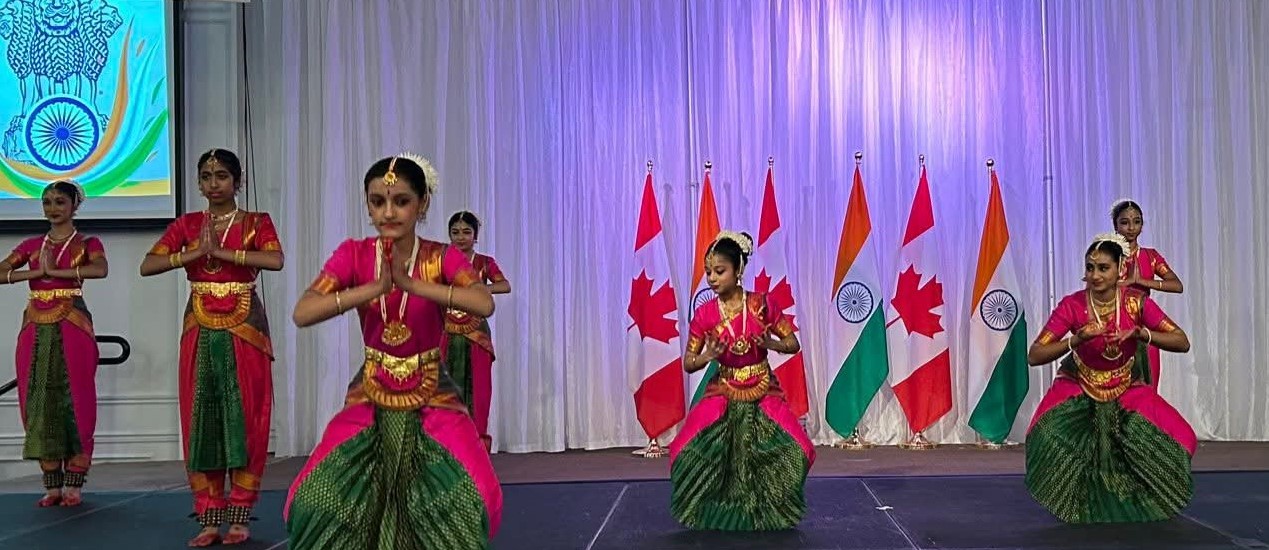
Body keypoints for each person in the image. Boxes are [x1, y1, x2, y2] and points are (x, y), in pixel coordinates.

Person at [285, 154, 503, 549]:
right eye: (377, 201)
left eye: (401, 201)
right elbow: (303, 312)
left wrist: (413, 285)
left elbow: (483, 302)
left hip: (433, 391)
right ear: (367, 205)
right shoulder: (353, 254)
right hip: (371, 389)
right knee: (315, 501)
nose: (388, 212)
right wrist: (373, 289)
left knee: (470, 497)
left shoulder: (441, 256)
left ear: (422, 204)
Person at [138, 149, 284, 546]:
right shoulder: (187, 224)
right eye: (206, 176)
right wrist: (193, 254)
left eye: (221, 175)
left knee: (246, 417)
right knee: (201, 418)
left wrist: (220, 253)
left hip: (245, 328)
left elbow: (275, 260)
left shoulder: (256, 222)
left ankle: (240, 516)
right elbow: (148, 265)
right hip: (199, 327)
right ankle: (209, 516)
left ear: (238, 181)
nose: (213, 183)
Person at [1024, 233, 1195, 523]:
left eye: (1103, 268)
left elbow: (1182, 341)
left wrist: (1142, 333)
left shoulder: (1136, 303)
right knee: (1045, 433)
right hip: (1080, 381)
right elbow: (1035, 354)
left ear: (1120, 269)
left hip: (1125, 383)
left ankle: (1140, 500)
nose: (1095, 275)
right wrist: (1076, 339)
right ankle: (1077, 503)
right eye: (1090, 268)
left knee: (1181, 438)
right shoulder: (1073, 305)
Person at [669, 230, 814, 530]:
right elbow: (688, 363)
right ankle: (714, 511)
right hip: (723, 388)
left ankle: (771, 509)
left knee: (799, 448)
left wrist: (771, 344)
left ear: (738, 271)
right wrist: (708, 356)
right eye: (709, 272)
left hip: (763, 386)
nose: (712, 278)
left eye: (719, 271)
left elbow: (793, 344)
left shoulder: (762, 305)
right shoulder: (705, 315)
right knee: (683, 451)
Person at [0, 181, 106, 508]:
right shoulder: (31, 245)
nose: (52, 208)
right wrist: (32, 275)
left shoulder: (87, 243)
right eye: (47, 202)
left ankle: (74, 483)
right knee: (37, 398)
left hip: (72, 320)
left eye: (60, 201)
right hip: (35, 323)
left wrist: (56, 270)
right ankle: (52, 485)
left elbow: (100, 269)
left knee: (76, 396)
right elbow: (2, 270)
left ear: (75, 205)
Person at [443, 210, 511, 451]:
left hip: (476, 335)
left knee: (479, 391)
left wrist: (480, 290)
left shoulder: (484, 263)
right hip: (446, 333)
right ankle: (447, 447)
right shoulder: (440, 261)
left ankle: (476, 448)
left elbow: (504, 285)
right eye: (455, 232)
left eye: (466, 232)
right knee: (444, 390)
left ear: (475, 235)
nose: (461, 237)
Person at [1111, 199, 1183, 387]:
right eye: (1125, 222)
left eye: (1136, 222)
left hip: (1145, 330)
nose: (1131, 227)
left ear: (1142, 225)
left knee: (1147, 390)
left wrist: (1141, 281)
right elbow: (1094, 289)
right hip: (1114, 331)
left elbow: (1176, 285)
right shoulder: (1108, 257)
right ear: (1115, 226)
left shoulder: (1151, 257)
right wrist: (1123, 283)